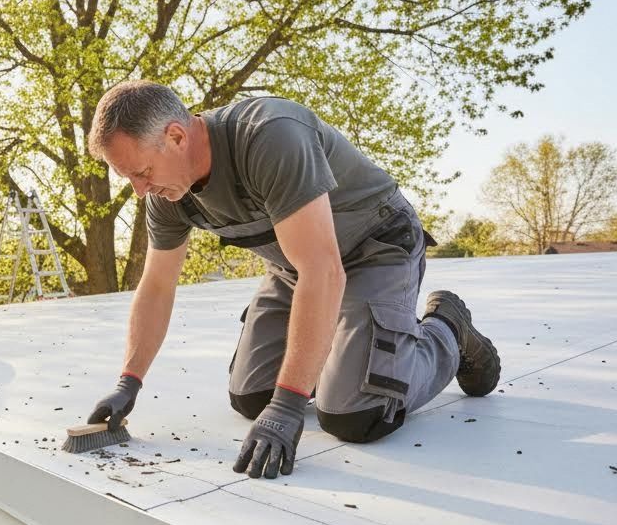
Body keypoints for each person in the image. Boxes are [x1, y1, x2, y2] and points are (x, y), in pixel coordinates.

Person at [85, 81, 500, 479]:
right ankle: (351, 349)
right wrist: (129, 382)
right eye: (129, 179)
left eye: (141, 172)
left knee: (354, 414)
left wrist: (287, 406)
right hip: (294, 267)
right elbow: (157, 286)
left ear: (176, 136)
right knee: (251, 397)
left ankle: (447, 330)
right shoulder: (167, 194)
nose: (140, 191)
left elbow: (324, 270)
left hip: (374, 248)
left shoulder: (269, 136)